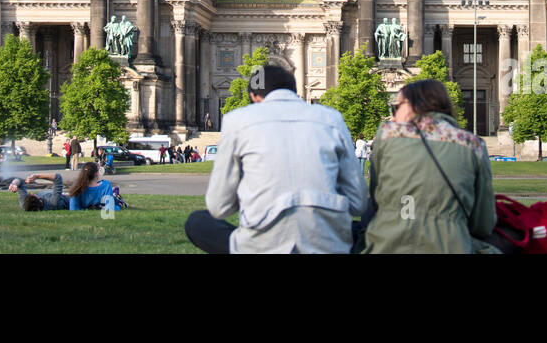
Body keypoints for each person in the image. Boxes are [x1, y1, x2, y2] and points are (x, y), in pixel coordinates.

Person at [184, 64, 368, 254]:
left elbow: (218, 207)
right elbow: (358, 202)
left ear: (254, 97)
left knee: (197, 222)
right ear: (294, 91)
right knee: (365, 226)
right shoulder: (333, 119)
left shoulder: (236, 120)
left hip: (262, 246)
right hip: (326, 245)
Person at [361, 79, 497, 253]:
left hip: (387, 244)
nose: (393, 116)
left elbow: (377, 196)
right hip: (451, 246)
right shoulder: (473, 145)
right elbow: (483, 224)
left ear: (412, 105)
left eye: (395, 108)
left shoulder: (387, 134)